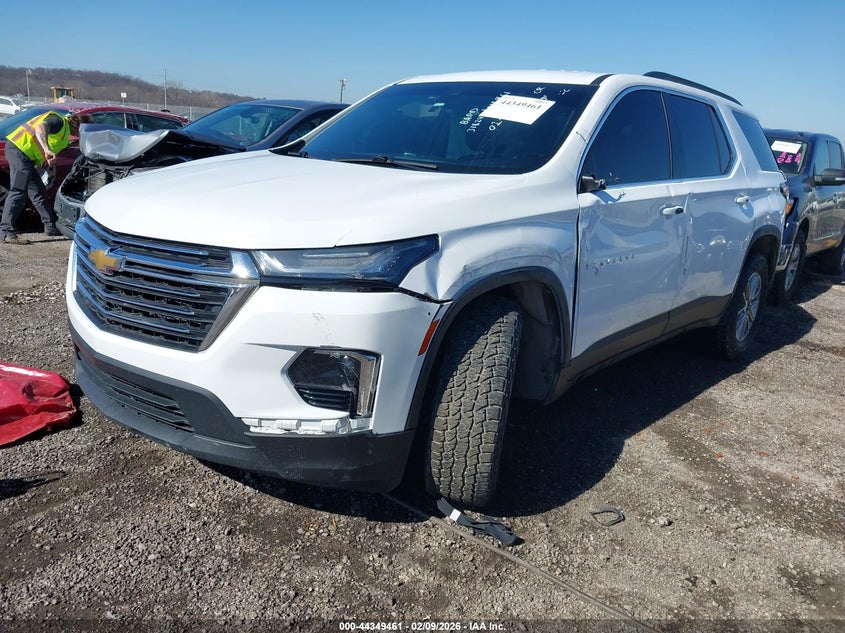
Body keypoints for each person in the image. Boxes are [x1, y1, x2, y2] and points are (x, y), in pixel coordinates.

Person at [1, 110, 93, 245]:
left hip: (26, 156)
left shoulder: (65, 134)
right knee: (18, 191)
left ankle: (50, 226)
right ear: (79, 125)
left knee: (38, 192)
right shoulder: (58, 122)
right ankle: (6, 232)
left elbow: (49, 153)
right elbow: (40, 128)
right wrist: (46, 150)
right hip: (18, 150)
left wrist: (51, 169)